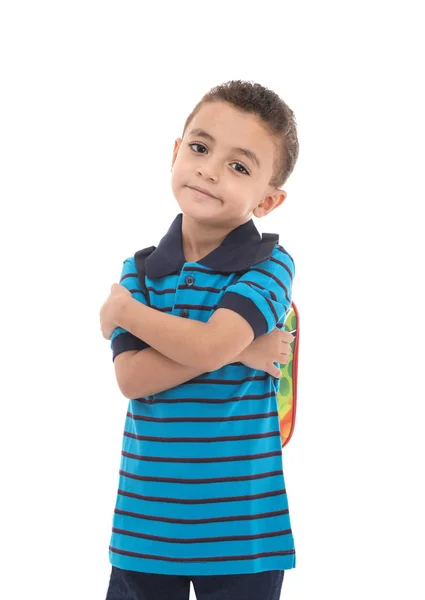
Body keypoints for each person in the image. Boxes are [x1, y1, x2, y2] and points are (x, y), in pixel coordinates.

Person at [99, 79, 299, 600]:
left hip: (242, 530)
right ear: (175, 152)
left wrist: (126, 312)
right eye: (200, 147)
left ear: (269, 200)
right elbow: (132, 378)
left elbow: (210, 346)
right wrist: (243, 348)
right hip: (147, 527)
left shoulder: (269, 265)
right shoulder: (140, 268)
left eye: (239, 166)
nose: (210, 169)